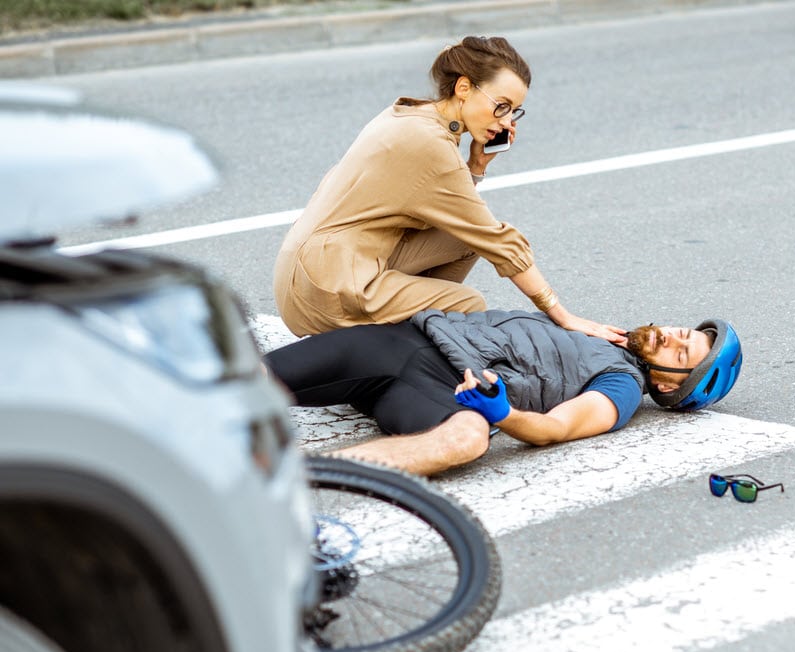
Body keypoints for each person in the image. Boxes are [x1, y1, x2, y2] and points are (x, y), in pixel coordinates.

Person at [273, 35, 625, 347]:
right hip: (326, 286)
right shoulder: (430, 144)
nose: (506, 121)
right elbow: (496, 240)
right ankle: (401, 344)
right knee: (465, 305)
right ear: (464, 88)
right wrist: (564, 316)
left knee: (462, 241)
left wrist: (476, 166)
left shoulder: (412, 115)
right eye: (501, 106)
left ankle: (404, 330)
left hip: (315, 267)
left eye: (514, 112)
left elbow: (454, 215)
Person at [263, 310, 743, 476]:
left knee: (468, 439)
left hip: (447, 392)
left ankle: (299, 474)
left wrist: (501, 412)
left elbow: (555, 428)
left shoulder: (622, 385)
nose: (671, 337)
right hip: (402, 340)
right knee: (244, 382)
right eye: (681, 332)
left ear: (666, 384)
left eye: (681, 352)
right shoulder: (598, 330)